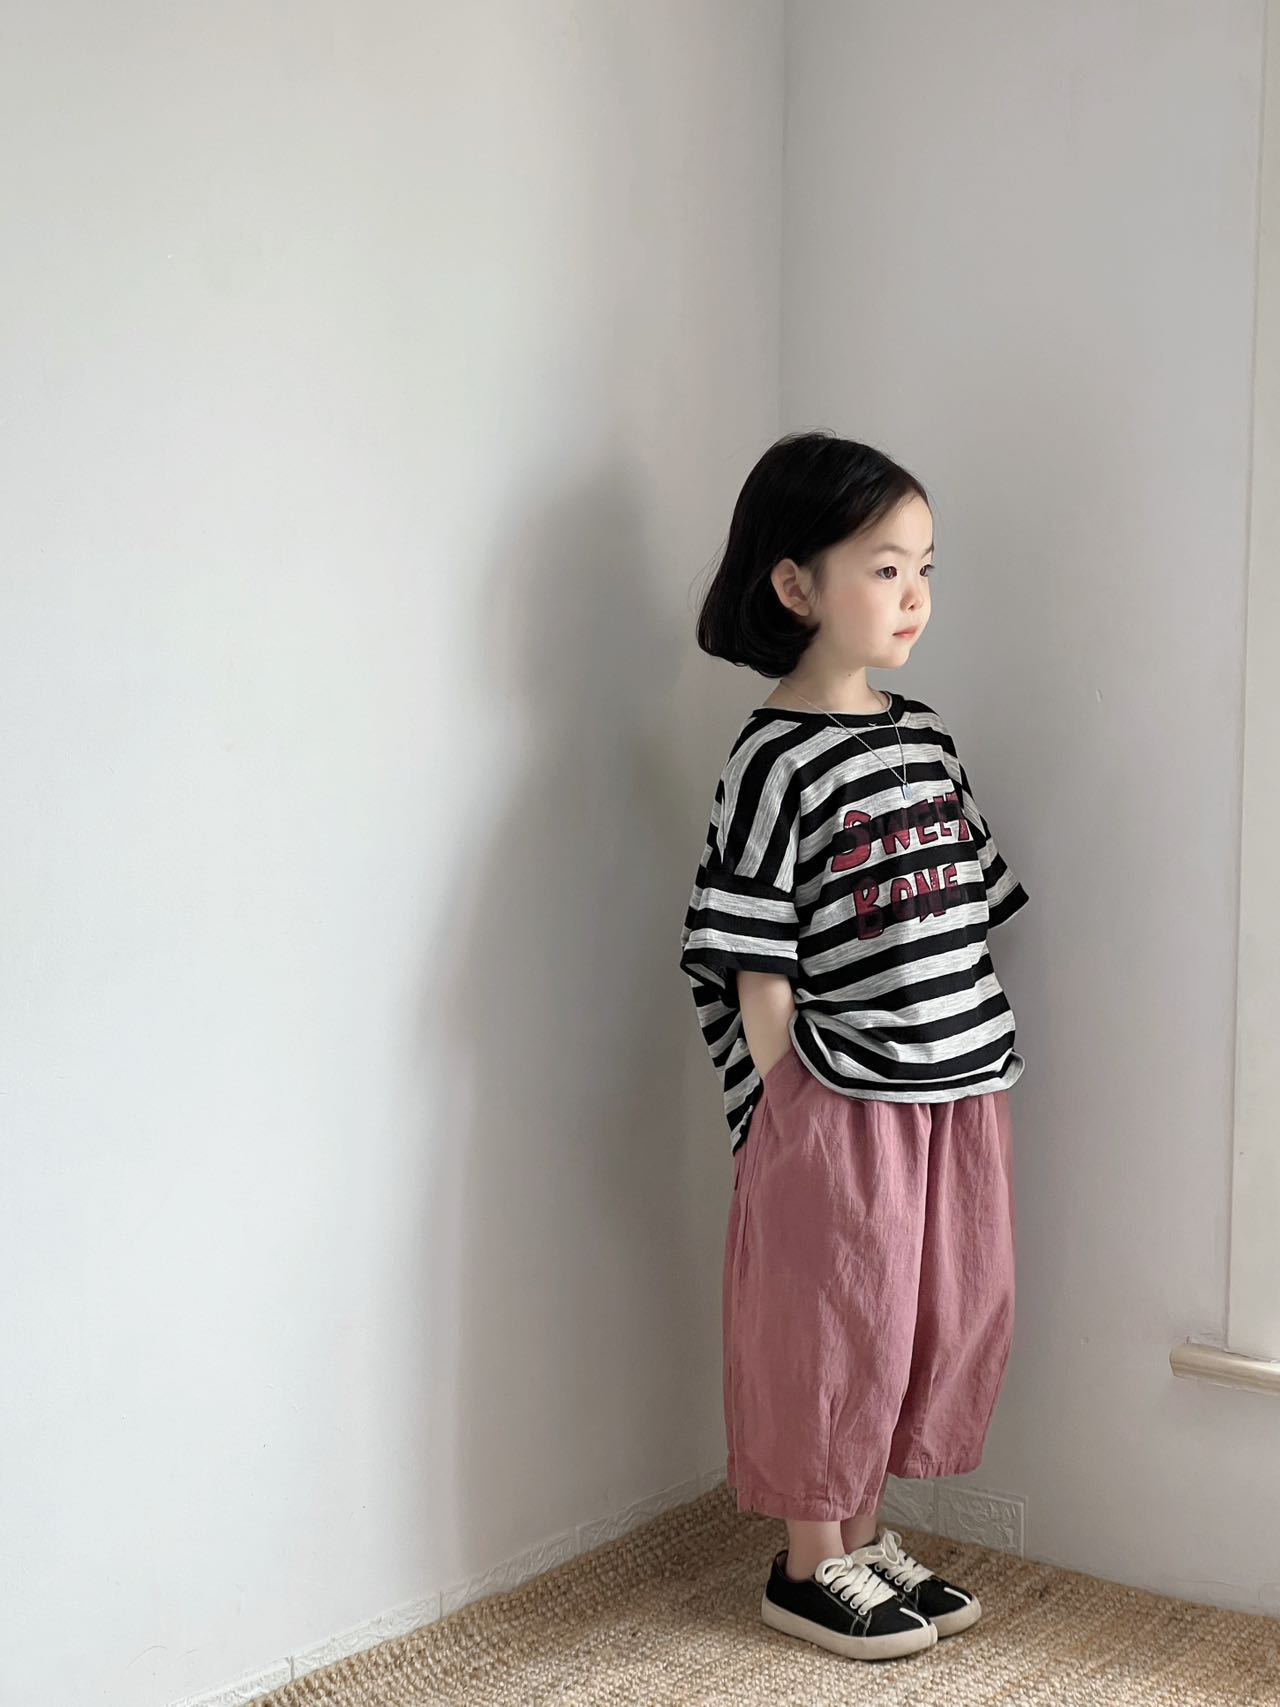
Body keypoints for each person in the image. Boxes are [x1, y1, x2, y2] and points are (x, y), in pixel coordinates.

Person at [678, 431, 1029, 1663]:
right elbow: (749, 954)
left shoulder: (925, 737)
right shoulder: (769, 758)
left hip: (955, 1084)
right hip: (837, 1095)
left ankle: (864, 1539)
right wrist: (788, 1095)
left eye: (924, 567)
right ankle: (804, 1562)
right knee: (828, 1320)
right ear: (795, 584)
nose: (913, 594)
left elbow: (963, 906)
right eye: (884, 568)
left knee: (918, 1316)